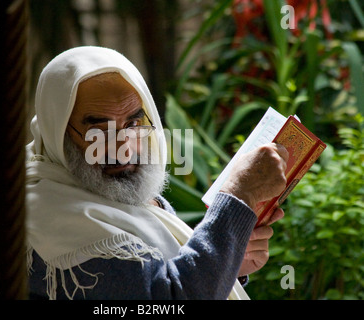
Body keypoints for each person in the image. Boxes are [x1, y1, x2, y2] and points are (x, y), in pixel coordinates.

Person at [25, 46, 289, 300]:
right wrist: (238, 194)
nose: (124, 150)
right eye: (100, 132)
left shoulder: (111, 191)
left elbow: (168, 276)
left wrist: (228, 262)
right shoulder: (47, 214)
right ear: (57, 133)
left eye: (133, 123)